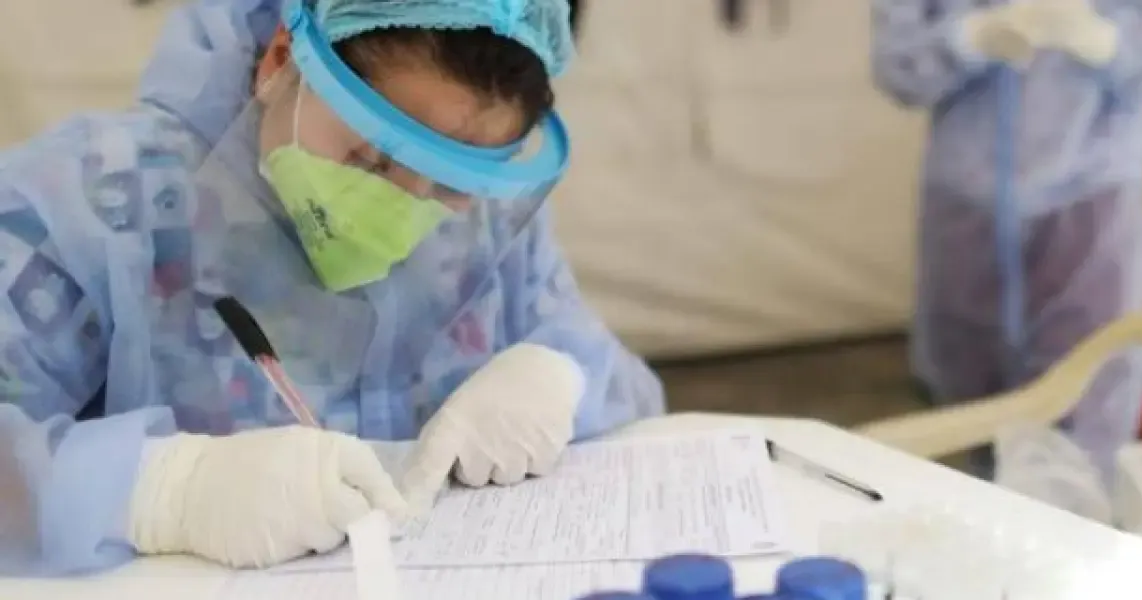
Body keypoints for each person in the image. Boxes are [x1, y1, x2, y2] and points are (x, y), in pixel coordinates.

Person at [0, 0, 664, 576]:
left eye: (453, 180)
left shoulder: (488, 226)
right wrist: (162, 493)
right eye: (370, 158)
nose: (405, 209)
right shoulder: (87, 207)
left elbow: (629, 393)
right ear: (280, 61)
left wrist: (561, 380)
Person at [871, 0, 1142, 478]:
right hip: (966, 201)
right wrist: (971, 37)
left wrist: (1108, 41)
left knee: (1092, 388)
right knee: (962, 407)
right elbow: (895, 63)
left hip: (1093, 195)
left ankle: (1079, 515)